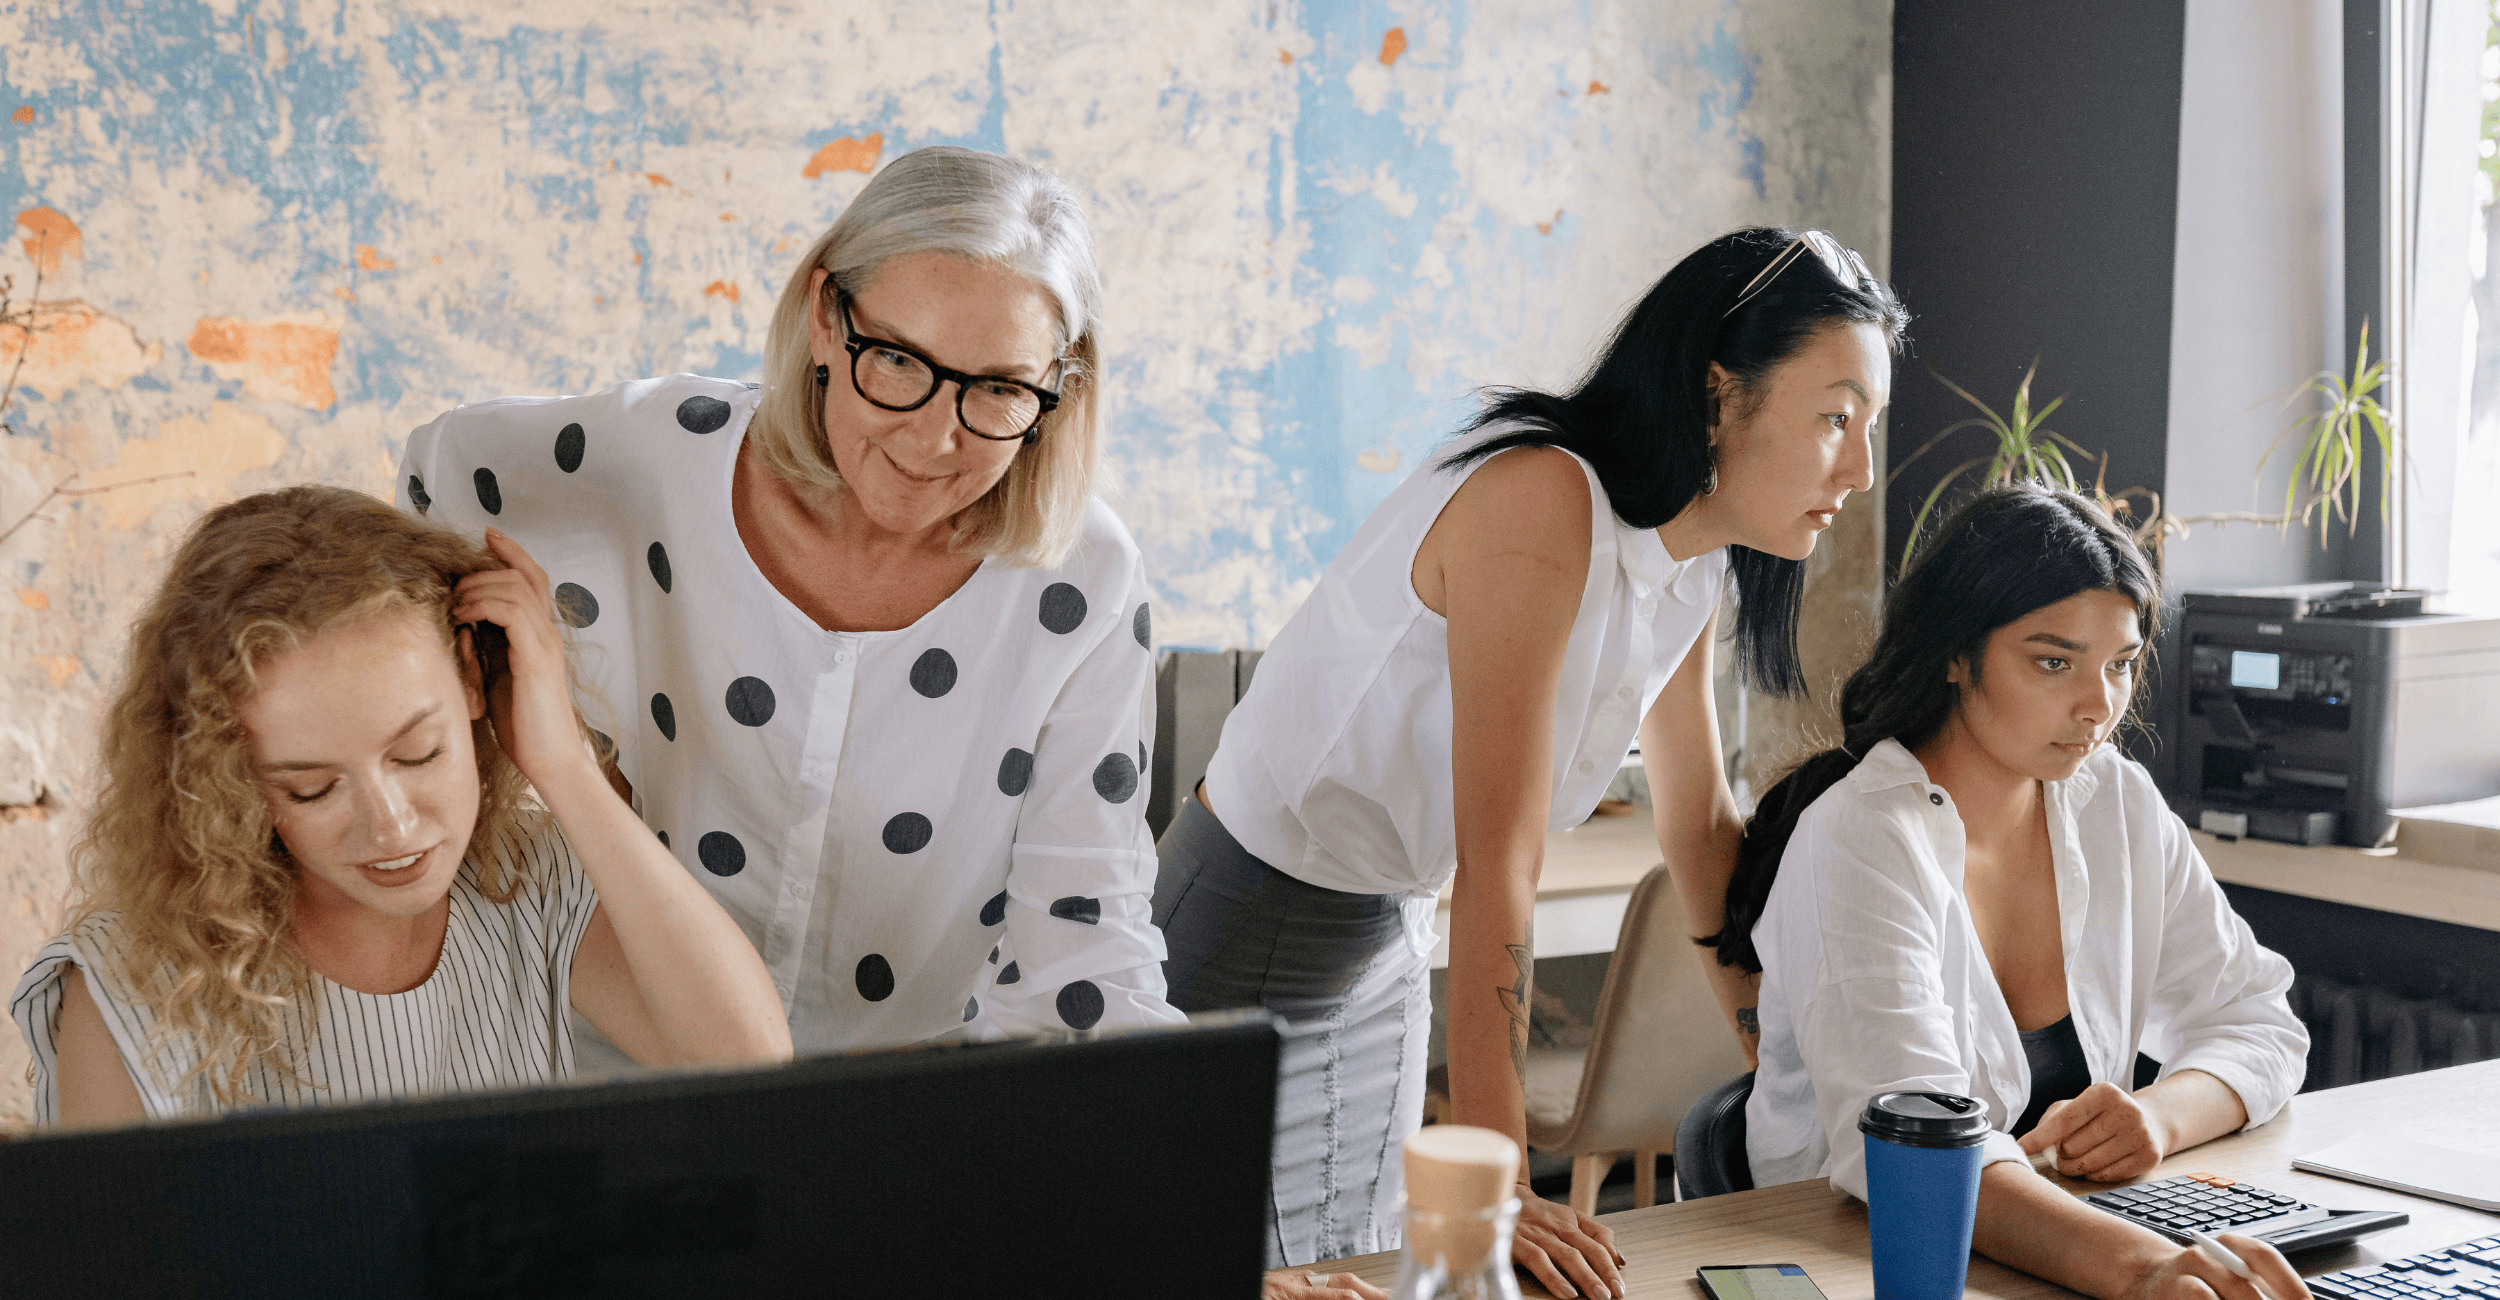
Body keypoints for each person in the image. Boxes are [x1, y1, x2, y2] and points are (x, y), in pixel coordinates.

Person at [1155, 227, 1906, 1294]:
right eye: (1835, 417)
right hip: (1247, 927)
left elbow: (1696, 831)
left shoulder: (1691, 564)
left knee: (1382, 1273)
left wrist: (1789, 1086)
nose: (1861, 468)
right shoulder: (1542, 495)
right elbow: (1497, 864)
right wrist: (1505, 1180)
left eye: (1868, 426)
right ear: (1718, 393)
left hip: (1382, 935)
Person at [395, 146, 1184, 1058]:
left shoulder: (1084, 579)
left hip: (896, 1108)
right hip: (616, 1063)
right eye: (896, 361)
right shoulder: (659, 457)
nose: (934, 439)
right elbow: (436, 477)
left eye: (1000, 389)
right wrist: (524, 745)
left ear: (1059, 385)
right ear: (823, 316)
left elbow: (1084, 940)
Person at [10, 486, 790, 1124]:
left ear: (474, 683)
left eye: (419, 754)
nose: (392, 826)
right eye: (311, 787)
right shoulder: (133, 980)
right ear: (232, 778)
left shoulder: (525, 882)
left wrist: (565, 768)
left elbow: (753, 1069)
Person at [1720, 485, 2311, 1300]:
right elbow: (1918, 1153)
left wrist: (2158, 1117)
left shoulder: (2117, 802)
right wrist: (2146, 1271)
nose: (2098, 705)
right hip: (1858, 1266)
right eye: (2053, 661)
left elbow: (2258, 1021)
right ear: (1957, 655)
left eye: (2120, 665)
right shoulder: (1859, 838)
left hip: (2054, 1252)